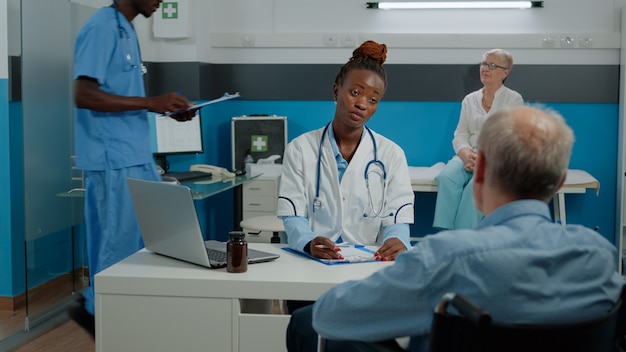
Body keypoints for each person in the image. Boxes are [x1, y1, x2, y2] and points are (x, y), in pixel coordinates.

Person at [286, 106, 626, 352]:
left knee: (306, 320)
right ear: (560, 182)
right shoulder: (599, 257)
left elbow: (330, 315)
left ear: (479, 175)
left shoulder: (447, 258)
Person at [67, 0, 196, 337]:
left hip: (135, 155)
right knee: (119, 249)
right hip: (113, 157)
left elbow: (121, 96)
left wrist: (162, 109)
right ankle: (105, 319)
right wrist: (150, 102)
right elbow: (83, 94)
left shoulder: (127, 30)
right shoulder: (102, 27)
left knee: (138, 243)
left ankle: (107, 313)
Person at [276, 41, 415, 312]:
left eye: (373, 99)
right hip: (310, 266)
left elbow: (397, 218)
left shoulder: (391, 154)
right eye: (355, 92)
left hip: (367, 269)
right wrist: (307, 242)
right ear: (336, 90)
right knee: (307, 328)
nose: (362, 104)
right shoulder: (300, 149)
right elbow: (293, 215)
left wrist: (397, 241)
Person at [433, 49, 523, 230]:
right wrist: (466, 155)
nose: (485, 69)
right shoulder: (470, 99)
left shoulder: (513, 99)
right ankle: (445, 235)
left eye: (492, 65)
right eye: (483, 64)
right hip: (468, 157)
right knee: (446, 177)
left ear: (505, 72)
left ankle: (463, 239)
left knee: (475, 185)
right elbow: (460, 135)